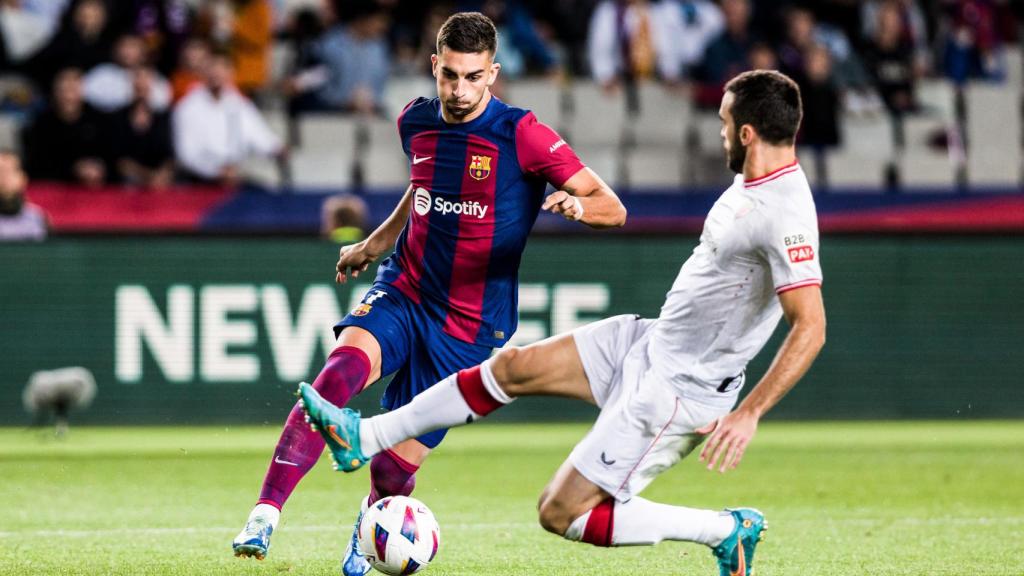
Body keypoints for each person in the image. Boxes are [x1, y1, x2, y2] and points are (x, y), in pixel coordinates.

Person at [301, 69, 826, 576]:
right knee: (512, 368)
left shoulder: (784, 213)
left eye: (723, 122)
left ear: (747, 132)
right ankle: (364, 436)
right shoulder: (749, 184)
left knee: (561, 512)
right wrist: (578, 207)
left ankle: (722, 530)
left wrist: (750, 412)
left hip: (680, 388)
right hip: (650, 341)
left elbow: (810, 326)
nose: (720, 132)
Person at [232, 12, 627, 575]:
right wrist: (376, 242)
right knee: (335, 380)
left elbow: (614, 206)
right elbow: (422, 189)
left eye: (473, 78)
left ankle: (373, 523)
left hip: (469, 328)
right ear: (434, 66)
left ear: (493, 73)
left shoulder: (524, 135)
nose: (460, 91)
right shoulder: (414, 122)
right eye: (451, 77)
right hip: (405, 288)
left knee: (393, 468)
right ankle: (264, 515)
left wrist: (578, 207)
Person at [171, 49, 283, 186]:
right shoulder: (187, 107)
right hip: (199, 180)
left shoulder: (239, 103)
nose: (216, 73)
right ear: (203, 72)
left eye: (222, 68)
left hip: (233, 176)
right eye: (212, 67)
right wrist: (216, 171)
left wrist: (275, 147)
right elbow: (186, 153)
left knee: (266, 196)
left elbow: (258, 134)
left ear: (230, 73)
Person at [0, 149, 47, 241]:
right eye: (0, 171)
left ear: (23, 178)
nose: (4, 177)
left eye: (10, 171)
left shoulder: (37, 217)